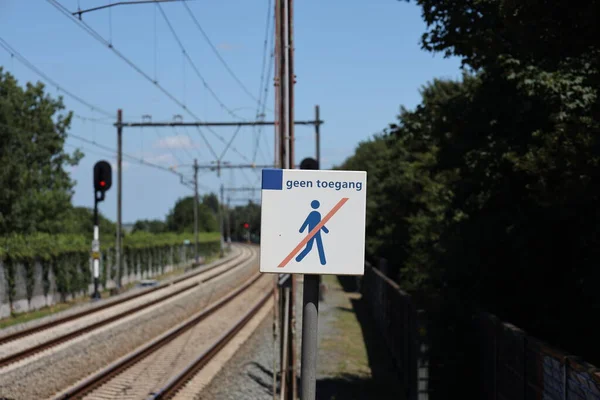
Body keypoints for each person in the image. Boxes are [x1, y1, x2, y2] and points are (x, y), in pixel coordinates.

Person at [295, 200, 328, 265]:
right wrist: (301, 229)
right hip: (313, 233)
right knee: (314, 247)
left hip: (315, 232)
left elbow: (319, 223)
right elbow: (309, 222)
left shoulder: (316, 214)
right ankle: (298, 258)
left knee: (317, 246)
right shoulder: (315, 214)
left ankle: (323, 261)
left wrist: (302, 229)